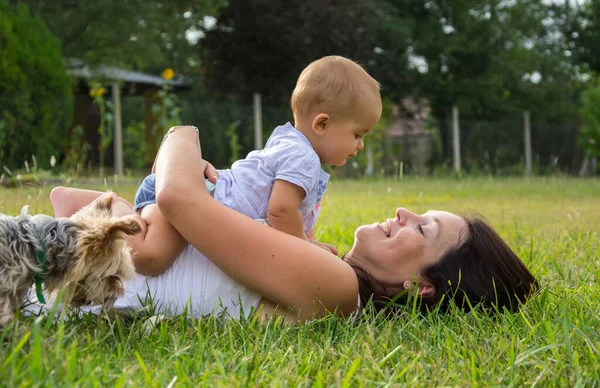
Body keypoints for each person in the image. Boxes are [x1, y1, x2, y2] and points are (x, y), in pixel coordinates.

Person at [45, 126, 538, 323]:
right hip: (62, 261)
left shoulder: (339, 289)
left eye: (424, 229)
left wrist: (180, 136)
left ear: (422, 287)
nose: (405, 213)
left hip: (43, 285)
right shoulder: (322, 264)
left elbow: (177, 199)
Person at [130, 55, 382, 275]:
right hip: (194, 199)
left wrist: (312, 242)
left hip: (194, 197)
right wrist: (307, 247)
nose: (360, 145)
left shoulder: (295, 147)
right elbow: (281, 211)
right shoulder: (302, 158)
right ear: (322, 124)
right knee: (151, 258)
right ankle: (105, 217)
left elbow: (299, 217)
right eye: (358, 135)